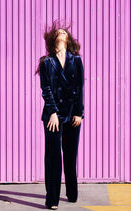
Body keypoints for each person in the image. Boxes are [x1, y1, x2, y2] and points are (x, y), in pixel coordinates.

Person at [35, 19, 85, 210]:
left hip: (73, 114)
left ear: (68, 38)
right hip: (53, 115)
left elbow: (80, 88)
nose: (62, 33)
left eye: (65, 32)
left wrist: (79, 113)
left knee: (70, 155)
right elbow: (46, 89)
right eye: (59, 32)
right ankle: (52, 199)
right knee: (53, 156)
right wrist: (53, 112)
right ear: (53, 39)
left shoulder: (77, 59)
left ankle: (72, 193)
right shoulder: (46, 62)